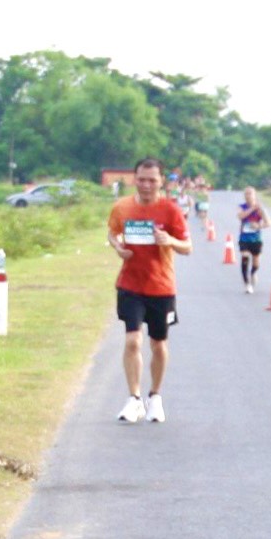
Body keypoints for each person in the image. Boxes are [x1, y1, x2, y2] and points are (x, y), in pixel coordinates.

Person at [108, 157, 192, 424]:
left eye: (152, 180)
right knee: (133, 340)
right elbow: (112, 232)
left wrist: (170, 240)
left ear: (161, 181)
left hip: (161, 286)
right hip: (130, 284)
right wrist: (118, 247)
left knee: (158, 344)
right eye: (142, 179)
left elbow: (188, 246)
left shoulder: (170, 211)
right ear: (135, 179)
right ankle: (133, 399)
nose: (146, 185)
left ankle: (154, 396)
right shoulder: (122, 207)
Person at [235, 188, 269, 292]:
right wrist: (252, 208)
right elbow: (240, 216)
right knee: (244, 257)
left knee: (256, 263)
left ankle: (253, 273)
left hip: (256, 239)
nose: (248, 196)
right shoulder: (241, 207)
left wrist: (258, 225)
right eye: (246, 194)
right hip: (244, 238)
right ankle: (247, 284)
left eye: (250, 194)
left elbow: (268, 223)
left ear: (254, 195)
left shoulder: (260, 209)